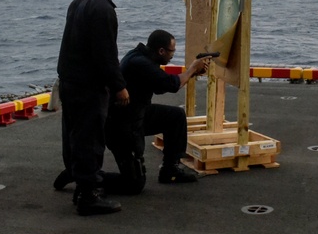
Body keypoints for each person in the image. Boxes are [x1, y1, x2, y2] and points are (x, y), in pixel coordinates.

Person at [54, 29, 211, 195]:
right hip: (121, 127)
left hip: (137, 114)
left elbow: (159, 86)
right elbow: (171, 84)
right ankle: (82, 176)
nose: (172, 56)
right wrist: (193, 68)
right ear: (161, 51)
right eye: (172, 52)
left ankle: (170, 169)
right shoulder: (141, 63)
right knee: (133, 184)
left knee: (175, 117)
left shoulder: (141, 57)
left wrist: (191, 73)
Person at [56, 0, 130, 216]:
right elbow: (105, 54)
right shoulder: (103, 9)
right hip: (88, 87)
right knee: (90, 140)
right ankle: (89, 197)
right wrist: (119, 86)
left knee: (75, 138)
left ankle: (82, 187)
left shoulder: (79, 2)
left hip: (69, 82)